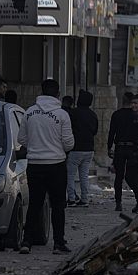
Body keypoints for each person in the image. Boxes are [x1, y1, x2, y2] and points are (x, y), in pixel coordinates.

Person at [17, 79, 74, 255]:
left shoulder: (29, 112)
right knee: (58, 205)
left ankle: (27, 242)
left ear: (41, 92)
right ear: (57, 94)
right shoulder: (62, 115)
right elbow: (68, 144)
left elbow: (22, 140)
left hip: (34, 165)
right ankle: (58, 243)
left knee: (35, 204)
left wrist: (36, 146)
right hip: (56, 165)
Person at [66, 90, 98, 207]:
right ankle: (85, 199)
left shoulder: (73, 113)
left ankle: (71, 199)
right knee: (84, 175)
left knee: (70, 175)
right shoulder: (93, 115)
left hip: (75, 149)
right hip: (89, 149)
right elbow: (95, 131)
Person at [108, 92, 135, 211]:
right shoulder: (136, 115)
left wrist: (109, 147)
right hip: (132, 149)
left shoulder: (116, 114)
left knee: (118, 177)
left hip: (119, 148)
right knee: (132, 175)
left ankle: (118, 202)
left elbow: (111, 132)